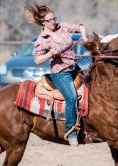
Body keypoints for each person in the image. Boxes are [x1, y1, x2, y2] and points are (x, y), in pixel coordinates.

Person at [24, 2, 88, 146]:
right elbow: (38, 60)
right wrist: (50, 54)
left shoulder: (62, 27)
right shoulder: (42, 40)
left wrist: (84, 37)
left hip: (74, 67)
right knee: (71, 98)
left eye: (54, 18)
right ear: (42, 22)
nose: (53, 22)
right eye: (49, 20)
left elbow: (81, 26)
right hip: (61, 73)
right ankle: (70, 132)